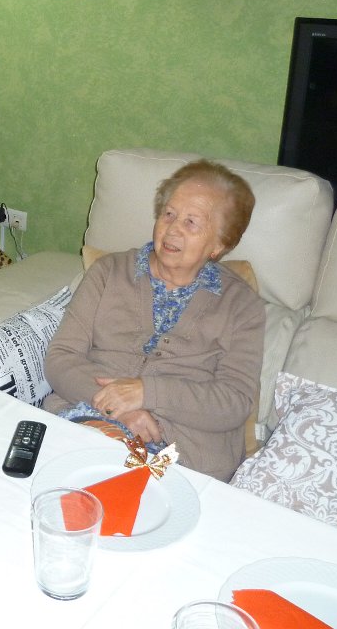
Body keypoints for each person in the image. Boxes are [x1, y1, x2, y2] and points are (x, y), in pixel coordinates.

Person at [44, 160, 264, 481]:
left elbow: (234, 401)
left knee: (126, 493)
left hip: (184, 452)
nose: (172, 229)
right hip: (87, 418)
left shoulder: (242, 305)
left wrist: (148, 393)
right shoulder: (109, 272)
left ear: (219, 244)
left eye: (191, 222)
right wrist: (119, 407)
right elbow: (61, 358)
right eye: (169, 214)